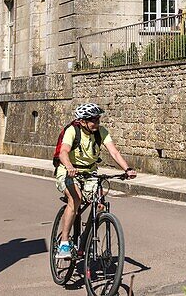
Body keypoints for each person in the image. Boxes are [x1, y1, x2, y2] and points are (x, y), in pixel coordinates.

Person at [54, 102, 136, 259]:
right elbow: (63, 152)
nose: (97, 123)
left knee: (99, 204)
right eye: (93, 120)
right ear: (83, 121)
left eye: (98, 120)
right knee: (75, 199)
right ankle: (64, 243)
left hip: (90, 172)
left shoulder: (101, 132)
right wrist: (70, 167)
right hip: (68, 171)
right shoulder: (72, 131)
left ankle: (84, 240)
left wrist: (127, 169)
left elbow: (114, 152)